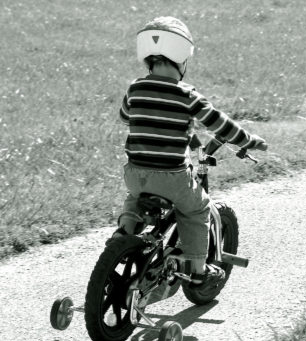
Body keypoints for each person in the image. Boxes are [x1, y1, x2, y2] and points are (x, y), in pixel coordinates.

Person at [114, 16, 267, 284]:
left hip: (135, 173)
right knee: (197, 209)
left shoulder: (135, 87)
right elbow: (220, 123)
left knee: (135, 197)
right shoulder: (187, 95)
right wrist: (247, 140)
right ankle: (198, 267)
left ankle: (124, 233)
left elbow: (126, 117)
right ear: (181, 56)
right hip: (172, 178)